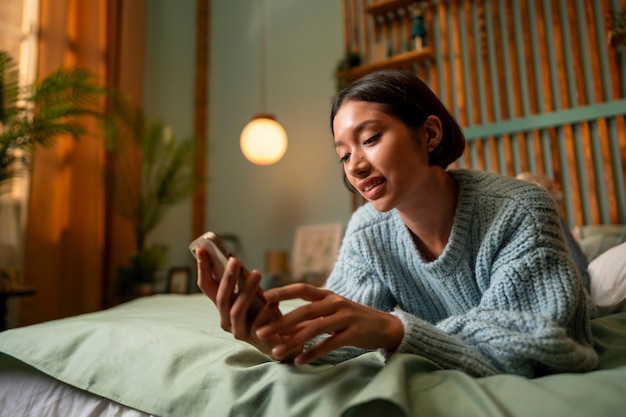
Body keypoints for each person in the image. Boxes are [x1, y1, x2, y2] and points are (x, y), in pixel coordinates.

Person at [196, 69, 598, 378]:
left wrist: (394, 330)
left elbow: (545, 344)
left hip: (559, 258)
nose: (354, 164)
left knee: (596, 274)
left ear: (429, 133)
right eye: (343, 154)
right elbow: (333, 339)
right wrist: (270, 336)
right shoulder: (367, 232)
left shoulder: (520, 210)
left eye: (370, 139)